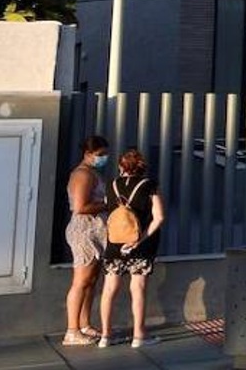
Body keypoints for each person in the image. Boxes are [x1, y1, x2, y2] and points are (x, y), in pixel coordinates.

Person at [97, 148, 166, 348]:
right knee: (138, 287)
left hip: (114, 244)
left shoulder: (111, 185)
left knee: (109, 288)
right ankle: (139, 335)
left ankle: (105, 336)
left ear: (120, 166)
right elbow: (159, 217)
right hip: (140, 246)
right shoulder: (149, 185)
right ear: (142, 166)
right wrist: (140, 239)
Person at [61, 135, 111, 347]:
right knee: (81, 281)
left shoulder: (92, 172)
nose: (103, 158)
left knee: (91, 281)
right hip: (85, 231)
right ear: (88, 154)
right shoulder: (83, 174)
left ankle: (84, 324)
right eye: (100, 155)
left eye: (105, 154)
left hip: (95, 231)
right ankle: (72, 330)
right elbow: (81, 206)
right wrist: (107, 204)